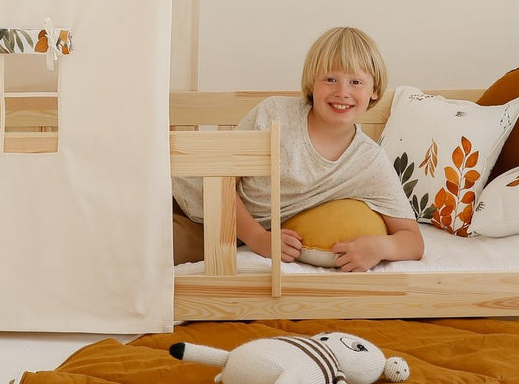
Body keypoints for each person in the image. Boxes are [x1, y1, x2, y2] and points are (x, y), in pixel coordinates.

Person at [172, 26, 424, 272]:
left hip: (221, 230)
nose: (342, 92)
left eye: (356, 81)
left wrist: (382, 246)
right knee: (146, 242)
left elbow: (413, 241)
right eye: (330, 79)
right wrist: (259, 238)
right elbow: (219, 178)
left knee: (156, 251)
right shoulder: (275, 115)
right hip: (185, 200)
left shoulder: (368, 162)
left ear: (374, 90)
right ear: (312, 83)